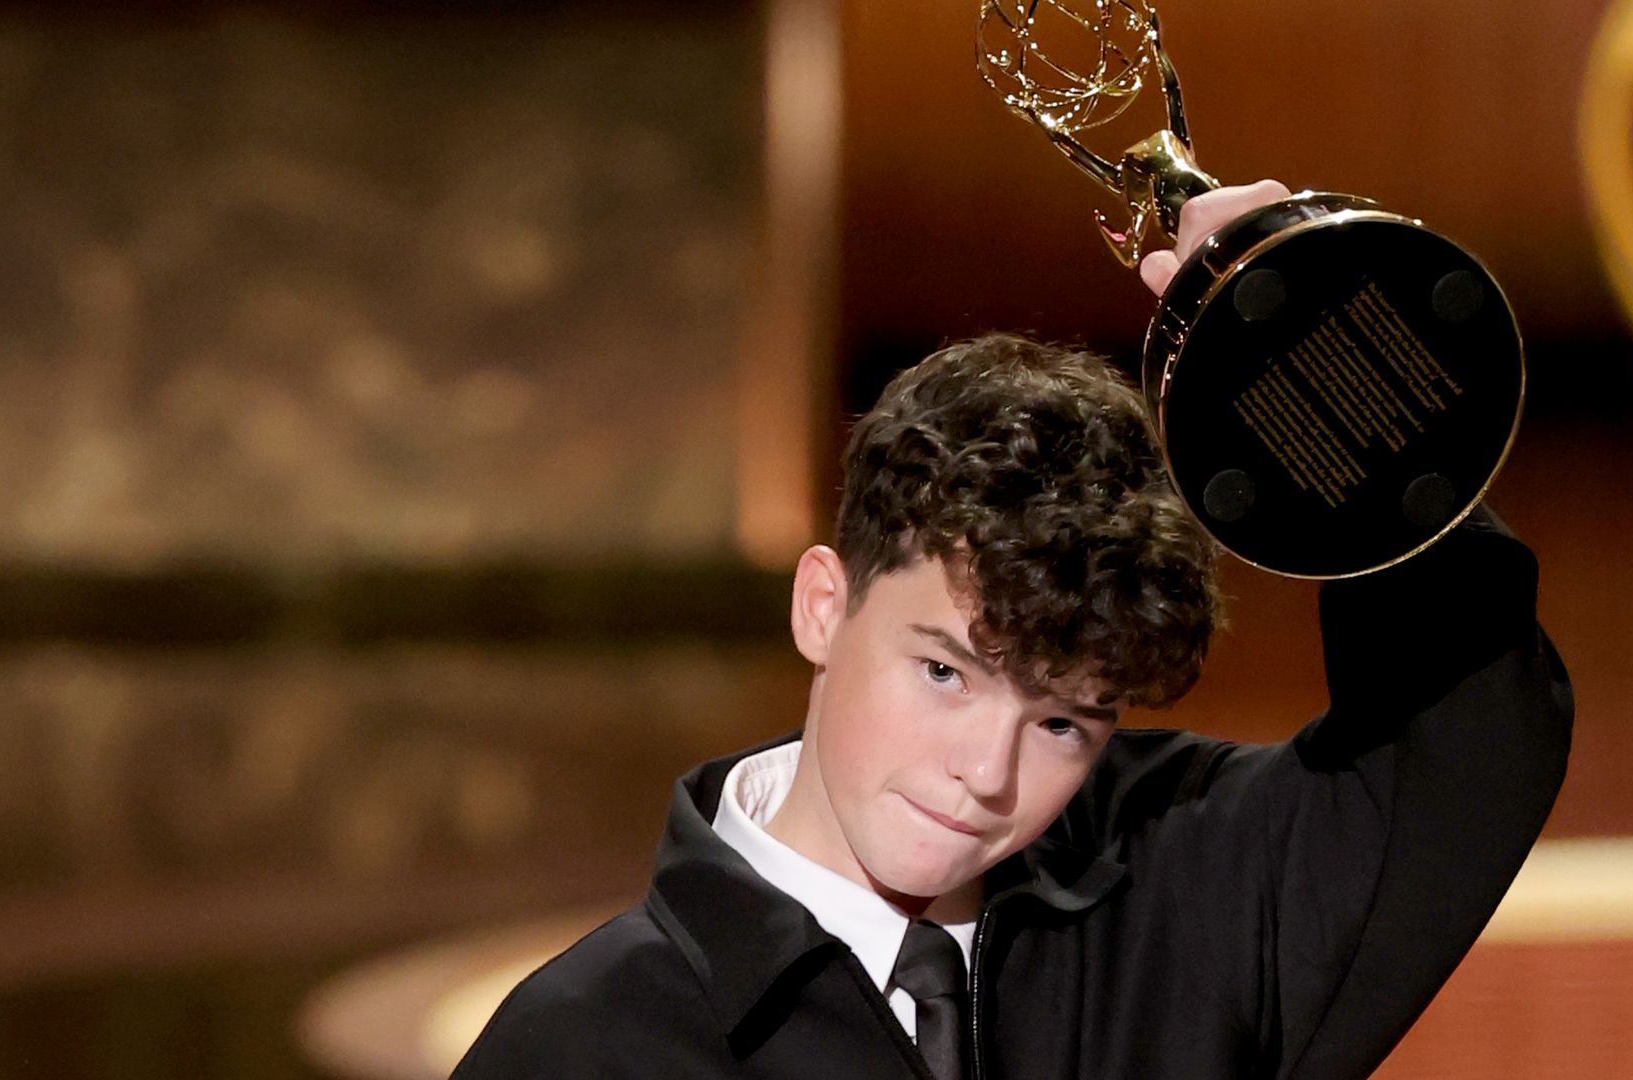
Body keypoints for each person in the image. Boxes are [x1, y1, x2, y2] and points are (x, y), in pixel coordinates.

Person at [450, 182, 1574, 1080]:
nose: (985, 777)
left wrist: (1314, 361)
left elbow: (1468, 739)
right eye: (945, 672)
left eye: (1065, 723)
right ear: (824, 604)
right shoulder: (588, 1049)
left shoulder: (1168, 890)